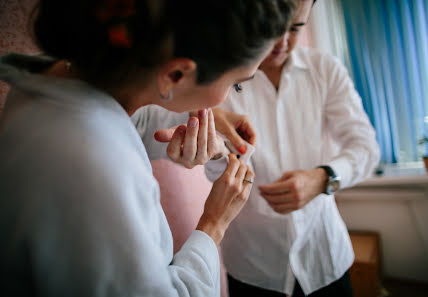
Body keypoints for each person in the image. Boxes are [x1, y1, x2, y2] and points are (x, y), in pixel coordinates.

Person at [0, 1, 296, 296]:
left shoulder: (60, 82)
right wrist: (212, 226)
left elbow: (133, 122)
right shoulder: (93, 168)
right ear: (175, 74)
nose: (226, 98)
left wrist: (205, 127)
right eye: (237, 84)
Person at [204, 0, 381, 296]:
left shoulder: (325, 69)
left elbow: (365, 147)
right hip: (253, 265)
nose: (282, 42)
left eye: (296, 28)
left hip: (323, 256)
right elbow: (215, 170)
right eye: (274, 28)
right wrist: (220, 157)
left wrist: (323, 177)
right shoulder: (223, 78)